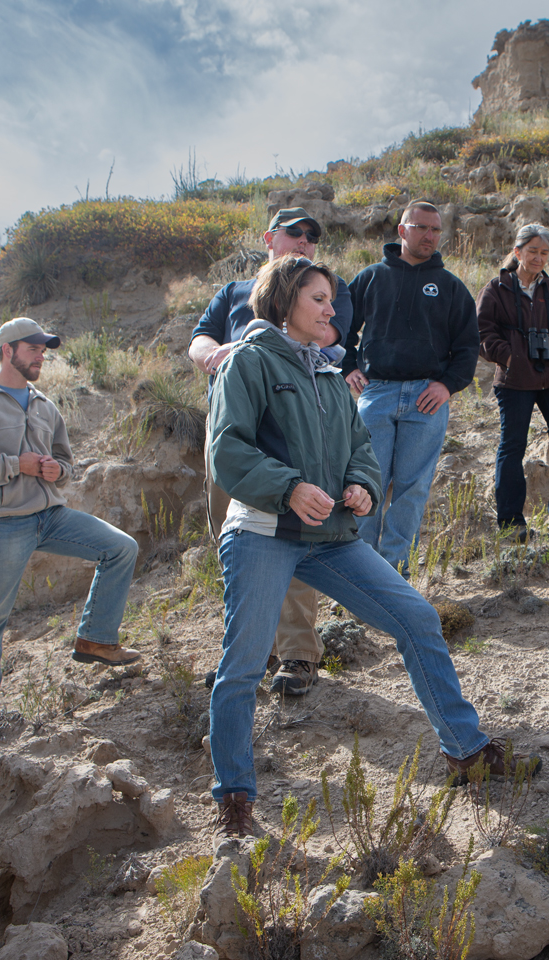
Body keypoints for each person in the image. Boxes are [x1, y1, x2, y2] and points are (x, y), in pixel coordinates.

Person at [207, 255, 535, 836]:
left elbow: (358, 445)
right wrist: (288, 488)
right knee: (242, 667)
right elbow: (226, 452)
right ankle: (234, 796)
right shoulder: (248, 363)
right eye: (318, 299)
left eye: (331, 299)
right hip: (263, 534)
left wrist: (359, 483)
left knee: (416, 617)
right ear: (285, 303)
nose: (332, 309)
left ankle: (466, 750)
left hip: (331, 538)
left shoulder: (331, 374)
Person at [190, 208, 354, 696]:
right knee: (235, 536)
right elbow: (199, 339)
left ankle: (298, 654)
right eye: (295, 232)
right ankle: (250, 648)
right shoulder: (233, 293)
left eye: (313, 236)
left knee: (294, 528)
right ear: (270, 238)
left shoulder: (323, 290)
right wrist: (216, 354)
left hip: (293, 423)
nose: (305, 240)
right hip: (231, 424)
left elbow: (326, 338)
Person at [0, 318, 140, 724]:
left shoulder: (45, 405)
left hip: (51, 515)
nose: (41, 356)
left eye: (43, 350)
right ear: (7, 350)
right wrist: (15, 465)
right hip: (1, 521)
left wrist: (59, 471)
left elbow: (68, 464)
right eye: (33, 349)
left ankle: (95, 639)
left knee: (122, 547)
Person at [343, 201, 479, 575]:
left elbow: (469, 345)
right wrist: (347, 367)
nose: (430, 236)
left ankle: (394, 574)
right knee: (366, 485)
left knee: (412, 489)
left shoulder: (451, 286)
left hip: (427, 399)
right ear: (402, 231)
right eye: (422, 228)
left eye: (436, 230)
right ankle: (361, 572)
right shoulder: (371, 277)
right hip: (377, 394)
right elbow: (338, 329)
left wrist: (448, 385)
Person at [477, 224, 549, 538]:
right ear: (518, 252)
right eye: (532, 251)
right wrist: (509, 357)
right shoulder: (496, 288)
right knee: (513, 447)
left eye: (544, 252)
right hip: (515, 379)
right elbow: (483, 331)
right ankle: (511, 524)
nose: (538, 258)